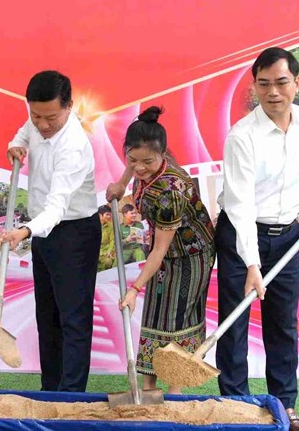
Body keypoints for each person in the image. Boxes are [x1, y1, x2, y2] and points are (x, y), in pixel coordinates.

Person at [215, 47, 299, 431]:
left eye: (282, 82)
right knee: (234, 324)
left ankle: (285, 405)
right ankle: (234, 404)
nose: (273, 92)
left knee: (283, 323)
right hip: (240, 236)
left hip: (287, 237)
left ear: (297, 83)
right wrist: (251, 264)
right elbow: (240, 206)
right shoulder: (242, 137)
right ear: (255, 87)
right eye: (264, 84)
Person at [0, 70, 100, 393]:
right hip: (42, 232)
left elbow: (57, 207)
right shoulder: (36, 121)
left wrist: (25, 231)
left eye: (50, 118)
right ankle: (50, 389)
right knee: (47, 315)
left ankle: (71, 397)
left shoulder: (74, 147)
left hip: (73, 233)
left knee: (73, 318)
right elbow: (24, 131)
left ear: (69, 106)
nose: (42, 125)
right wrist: (17, 144)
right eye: (36, 115)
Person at [107, 106, 215, 395]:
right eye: (133, 159)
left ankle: (175, 394)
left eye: (148, 162)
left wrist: (134, 288)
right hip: (164, 250)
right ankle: (147, 391)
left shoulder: (170, 192)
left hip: (191, 254)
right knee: (155, 314)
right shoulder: (143, 158)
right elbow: (135, 163)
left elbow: (158, 251)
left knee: (176, 320)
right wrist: (120, 183)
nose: (139, 168)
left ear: (163, 154)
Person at [97, 204, 116, 272]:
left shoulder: (110, 226)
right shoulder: (92, 225)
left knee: (108, 262)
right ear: (100, 215)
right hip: (94, 252)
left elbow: (112, 240)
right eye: (107, 214)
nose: (109, 217)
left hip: (105, 252)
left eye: (110, 215)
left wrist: (109, 251)